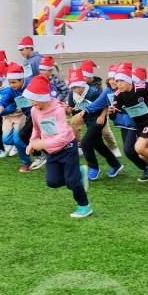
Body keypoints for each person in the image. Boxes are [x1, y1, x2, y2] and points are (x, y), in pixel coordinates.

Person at [25, 74, 93, 218]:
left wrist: (42, 143)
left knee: (72, 182)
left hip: (68, 148)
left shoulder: (57, 110)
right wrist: (32, 142)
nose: (32, 103)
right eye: (30, 99)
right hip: (52, 152)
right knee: (52, 182)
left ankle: (84, 206)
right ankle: (79, 172)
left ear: (43, 97)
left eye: (34, 99)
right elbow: (36, 129)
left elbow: (62, 137)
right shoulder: (34, 110)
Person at [110, 63, 148, 186]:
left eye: (121, 80)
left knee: (139, 148)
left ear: (129, 80)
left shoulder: (142, 87)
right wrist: (111, 112)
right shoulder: (118, 94)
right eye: (117, 81)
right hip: (139, 125)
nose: (118, 83)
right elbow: (114, 115)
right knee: (143, 153)